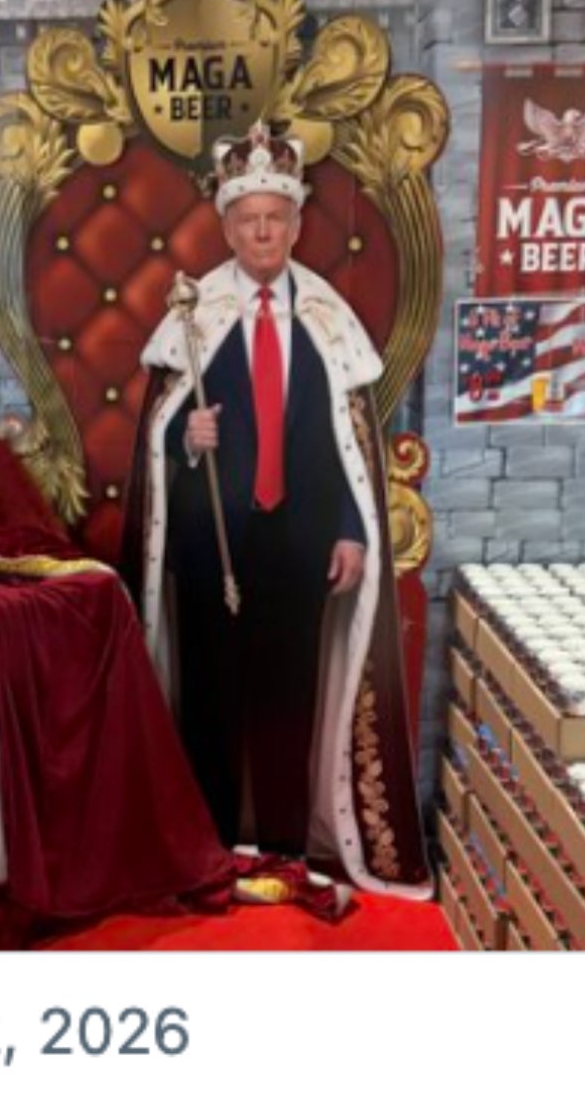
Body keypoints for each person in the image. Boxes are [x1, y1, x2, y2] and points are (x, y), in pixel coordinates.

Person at [123, 123, 428, 894]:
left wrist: (352, 531)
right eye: (248, 220)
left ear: (295, 224)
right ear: (227, 227)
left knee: (290, 696)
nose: (262, 233)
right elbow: (153, 439)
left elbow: (353, 444)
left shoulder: (327, 318)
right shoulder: (193, 314)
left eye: (274, 219)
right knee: (213, 699)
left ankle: (288, 849)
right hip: (211, 546)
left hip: (300, 541)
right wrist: (184, 440)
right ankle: (215, 844)